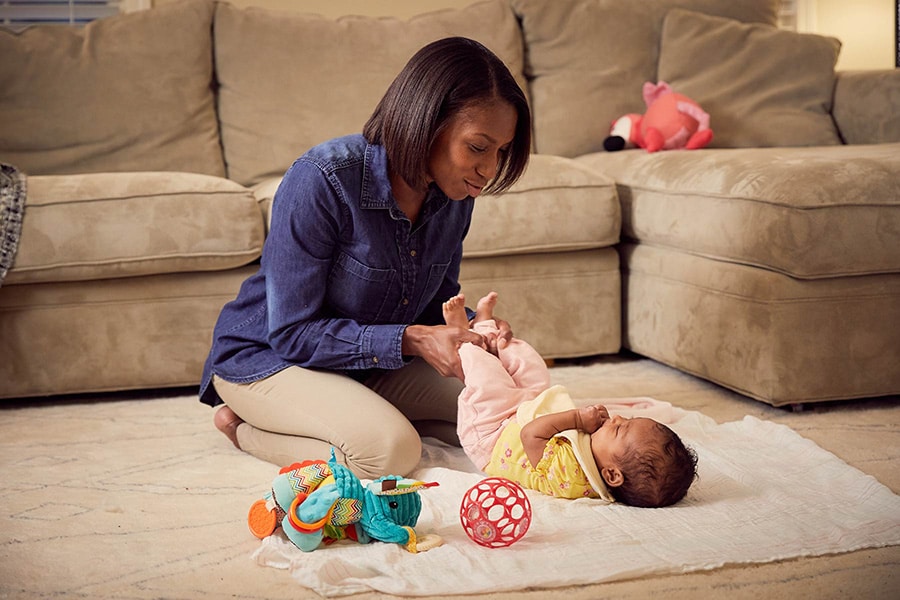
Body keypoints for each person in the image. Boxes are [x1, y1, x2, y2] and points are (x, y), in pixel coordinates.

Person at [198, 37, 532, 480]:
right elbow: (292, 333)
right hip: (270, 358)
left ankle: (363, 414)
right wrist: (411, 340)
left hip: (367, 364)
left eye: (501, 151)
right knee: (389, 453)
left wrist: (474, 328)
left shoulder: (455, 196)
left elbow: (433, 307)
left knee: (510, 406)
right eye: (478, 147)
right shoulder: (323, 179)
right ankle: (243, 429)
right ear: (426, 123)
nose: (488, 170)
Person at [444, 291, 697, 507]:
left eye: (620, 429)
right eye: (627, 419)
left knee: (488, 378)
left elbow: (531, 435)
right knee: (534, 371)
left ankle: (461, 336)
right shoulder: (598, 456)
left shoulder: (571, 476)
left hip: (491, 436)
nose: (618, 417)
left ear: (612, 474)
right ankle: (486, 329)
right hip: (519, 415)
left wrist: (577, 418)